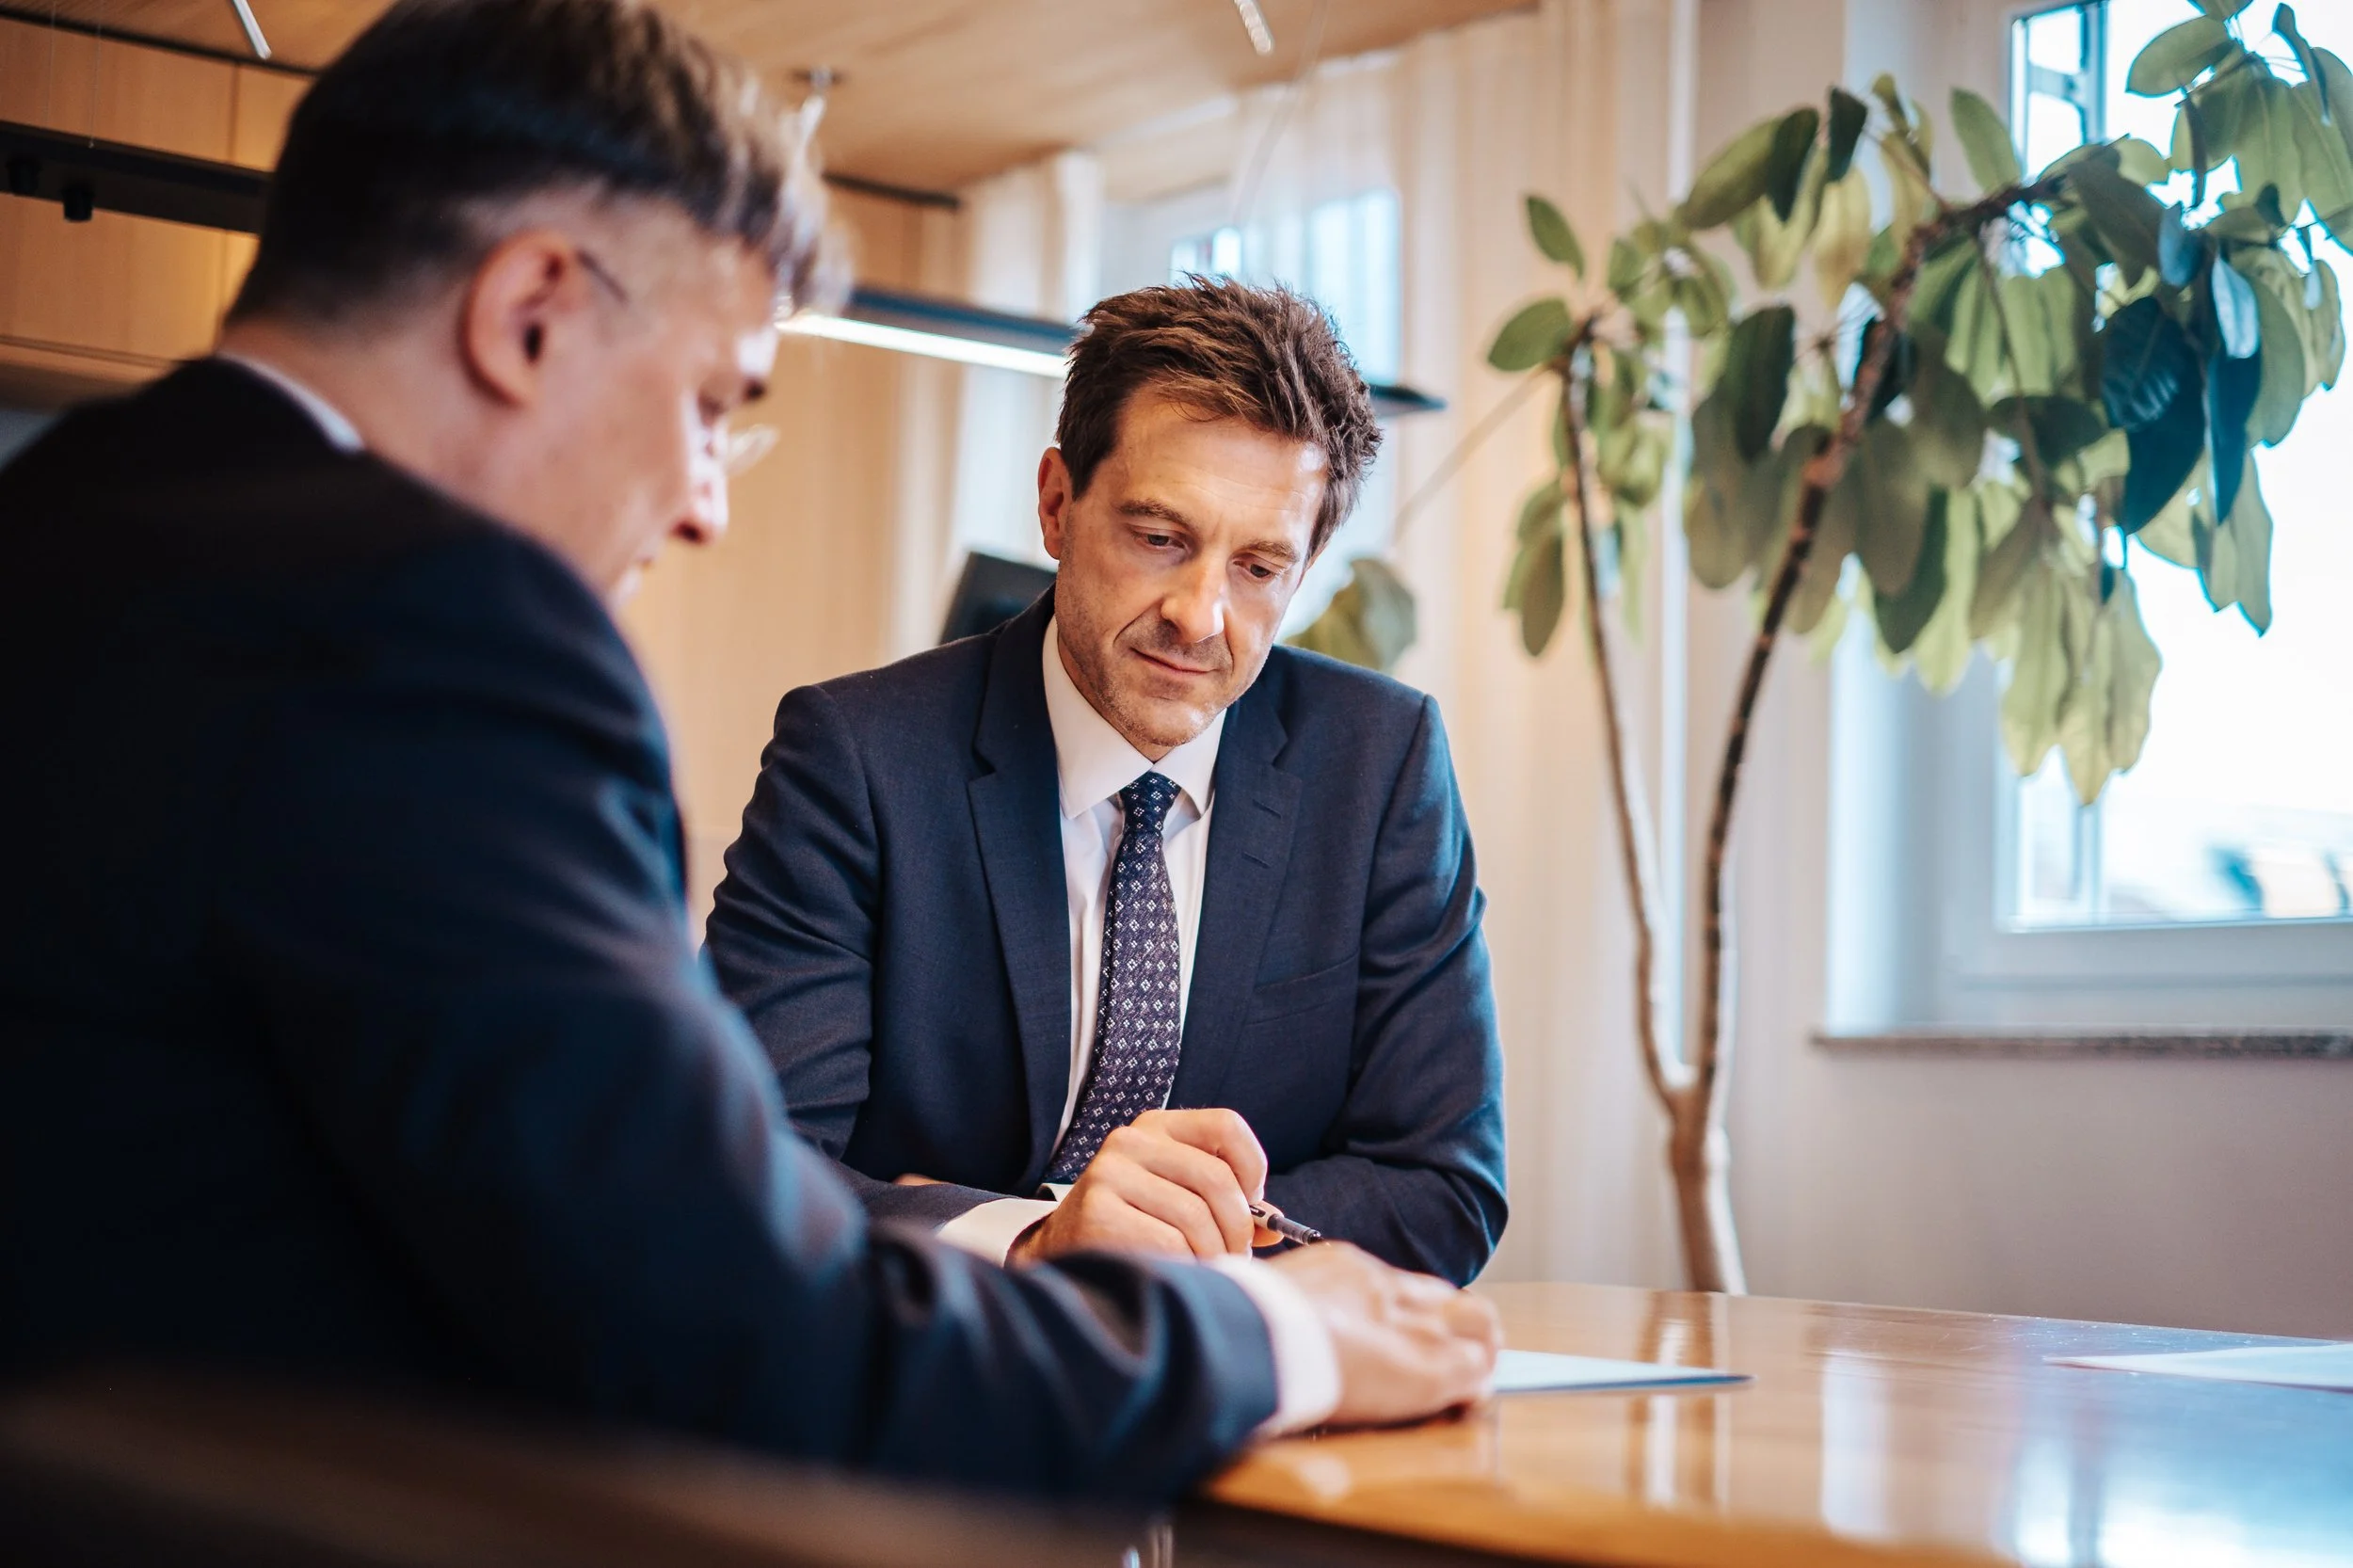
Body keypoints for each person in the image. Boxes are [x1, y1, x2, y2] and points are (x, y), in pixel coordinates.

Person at [0, 0, 1499, 1501]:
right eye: (712, 402)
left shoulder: (58, 519)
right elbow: (731, 1316)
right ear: (528, 313)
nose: (709, 501)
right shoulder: (434, 640)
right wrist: (1261, 1335)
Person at [706, 280, 1507, 1287]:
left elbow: (1445, 1184)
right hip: (922, 1386)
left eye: (1259, 566)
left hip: (1253, 1402)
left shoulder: (1379, 765)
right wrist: (1038, 1238)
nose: (1199, 615)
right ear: (1056, 503)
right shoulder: (859, 760)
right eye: (1159, 537)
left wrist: (1151, 1240)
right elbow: (741, 1166)